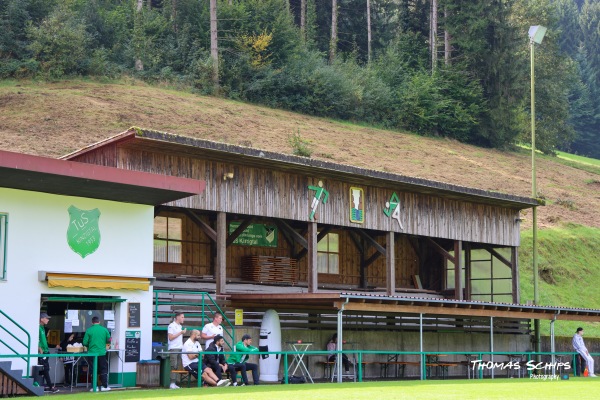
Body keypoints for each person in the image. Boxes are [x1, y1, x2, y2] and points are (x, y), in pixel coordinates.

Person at [83, 316, 111, 391]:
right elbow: (109, 340)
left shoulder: (89, 330)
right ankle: (104, 386)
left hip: (92, 353)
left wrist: (90, 346)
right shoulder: (104, 330)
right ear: (99, 322)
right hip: (102, 353)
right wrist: (104, 343)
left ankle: (94, 387)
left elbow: (84, 342)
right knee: (103, 369)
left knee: (93, 369)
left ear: (92, 322)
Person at [38, 313, 59, 393]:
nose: (48, 320)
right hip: (42, 353)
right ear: (42, 319)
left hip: (46, 352)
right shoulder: (38, 328)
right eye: (46, 318)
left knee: (44, 369)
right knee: (45, 370)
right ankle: (50, 386)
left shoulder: (43, 328)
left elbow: (44, 341)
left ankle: (43, 386)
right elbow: (37, 339)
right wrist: (40, 348)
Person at [167, 312, 187, 389]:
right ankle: (171, 383)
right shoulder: (171, 326)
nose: (183, 318)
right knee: (173, 365)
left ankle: (174, 383)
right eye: (182, 317)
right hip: (173, 348)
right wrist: (180, 332)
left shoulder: (180, 326)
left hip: (180, 348)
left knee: (177, 365)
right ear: (177, 317)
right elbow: (171, 337)